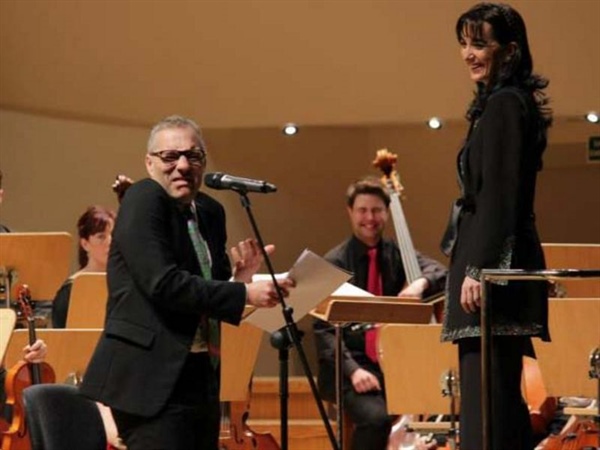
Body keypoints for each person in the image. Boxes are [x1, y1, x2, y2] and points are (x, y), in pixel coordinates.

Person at [79, 115, 294, 450]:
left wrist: (240, 278)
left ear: (204, 163)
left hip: (198, 370)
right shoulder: (143, 198)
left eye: (192, 157)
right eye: (169, 156)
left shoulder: (210, 211)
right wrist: (244, 293)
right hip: (148, 377)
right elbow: (163, 284)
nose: (182, 165)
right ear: (149, 163)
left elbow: (204, 290)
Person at [439, 3, 552, 450]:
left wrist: (480, 269)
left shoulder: (506, 105)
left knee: (489, 417)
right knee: (497, 410)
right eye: (464, 43)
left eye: (479, 43)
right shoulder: (501, 103)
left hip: (491, 279)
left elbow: (501, 196)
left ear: (509, 50)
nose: (468, 53)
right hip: (492, 275)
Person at [313, 177, 447, 450]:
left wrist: (420, 283)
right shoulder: (334, 262)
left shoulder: (397, 254)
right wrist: (354, 371)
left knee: (446, 407)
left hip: (394, 365)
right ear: (350, 212)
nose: (370, 218)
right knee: (376, 418)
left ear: (386, 213)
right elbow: (323, 332)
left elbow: (440, 272)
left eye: (376, 210)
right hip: (350, 367)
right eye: (362, 210)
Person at [51, 205, 116, 328]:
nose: (110, 242)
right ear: (85, 244)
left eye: (113, 235)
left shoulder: (125, 282)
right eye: (101, 236)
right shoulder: (71, 289)